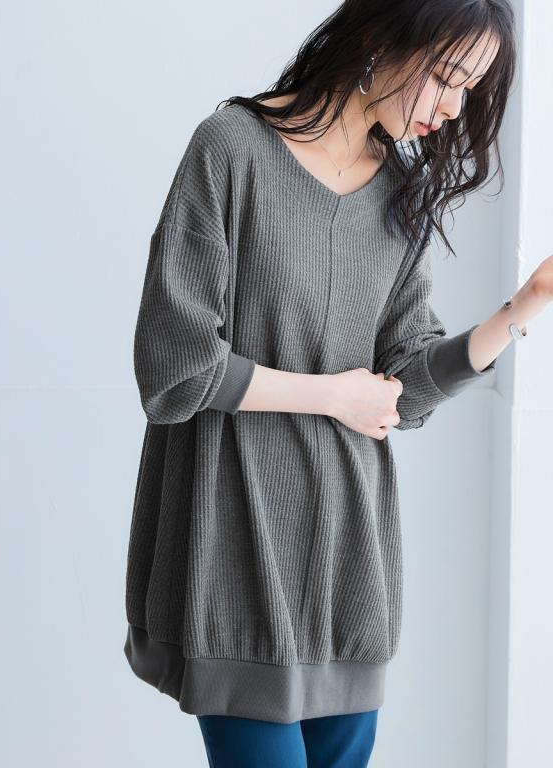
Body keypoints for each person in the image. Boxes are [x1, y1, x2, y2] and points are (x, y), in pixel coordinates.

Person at [124, 1, 552, 765]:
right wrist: (331, 396)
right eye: (448, 78)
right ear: (385, 38)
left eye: (470, 89)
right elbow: (174, 367)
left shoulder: (399, 194)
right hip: (238, 560)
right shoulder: (232, 150)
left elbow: (402, 390)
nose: (455, 109)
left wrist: (525, 307)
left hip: (349, 576)